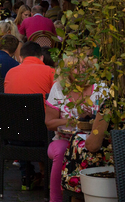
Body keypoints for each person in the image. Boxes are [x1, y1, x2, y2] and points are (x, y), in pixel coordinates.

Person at [62, 74, 125, 196]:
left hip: (113, 166)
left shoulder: (112, 106)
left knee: (76, 142)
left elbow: (93, 146)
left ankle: (74, 192)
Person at [43, 53, 107, 202]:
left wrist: (92, 116)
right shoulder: (58, 88)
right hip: (64, 138)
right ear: (67, 72)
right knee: (61, 152)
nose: (81, 70)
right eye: (76, 68)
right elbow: (49, 123)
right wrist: (71, 121)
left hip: (94, 139)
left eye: (84, 66)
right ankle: (57, 199)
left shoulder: (100, 88)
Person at [4, 42, 56, 190]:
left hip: (13, 134)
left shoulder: (10, 73)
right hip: (42, 135)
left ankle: (27, 174)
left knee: (21, 118)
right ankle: (49, 175)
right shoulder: (50, 72)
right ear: (41, 57)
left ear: (21, 58)